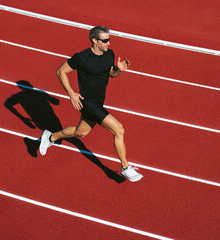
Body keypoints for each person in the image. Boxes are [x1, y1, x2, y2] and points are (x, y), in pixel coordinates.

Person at [39, 26, 143, 182]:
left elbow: (110, 73)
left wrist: (118, 70)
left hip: (99, 101)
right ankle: (125, 167)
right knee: (119, 129)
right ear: (94, 40)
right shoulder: (82, 57)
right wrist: (71, 93)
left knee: (81, 133)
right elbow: (61, 71)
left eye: (109, 39)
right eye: (105, 40)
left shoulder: (110, 54)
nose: (109, 43)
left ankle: (50, 136)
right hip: (86, 102)